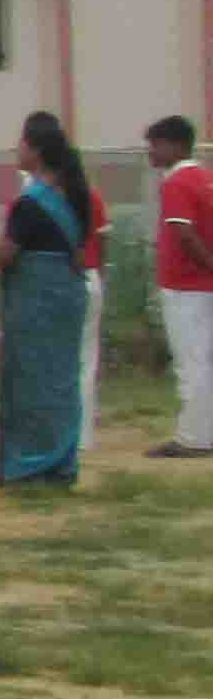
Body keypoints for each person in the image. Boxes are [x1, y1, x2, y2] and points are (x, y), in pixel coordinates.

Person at [0, 113, 96, 488]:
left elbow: (7, 253)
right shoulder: (77, 195)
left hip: (36, 301)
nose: (18, 149)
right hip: (68, 295)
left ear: (36, 150)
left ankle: (31, 465)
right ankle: (61, 463)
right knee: (61, 381)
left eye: (22, 143)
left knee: (30, 381)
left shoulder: (30, 202)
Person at [149, 115, 212, 457]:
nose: (151, 153)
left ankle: (193, 438)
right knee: (206, 361)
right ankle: (204, 432)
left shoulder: (176, 183)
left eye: (154, 145)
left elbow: (184, 234)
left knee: (191, 362)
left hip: (186, 286)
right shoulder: (206, 178)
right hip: (204, 287)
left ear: (173, 145)